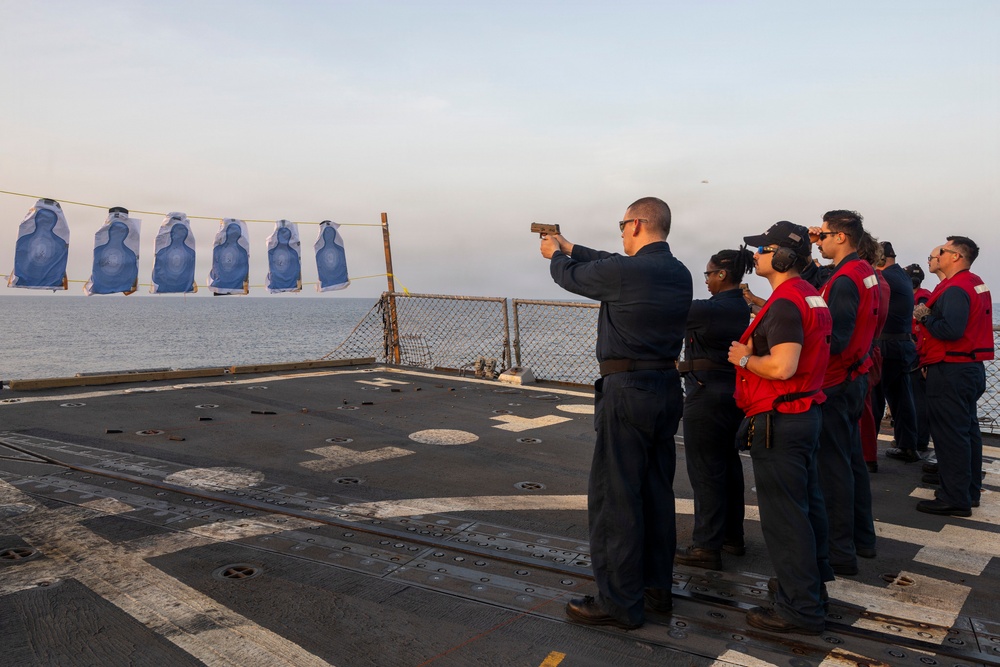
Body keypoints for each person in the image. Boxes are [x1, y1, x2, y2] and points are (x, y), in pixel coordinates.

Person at [540, 196, 692, 630]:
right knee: (656, 494)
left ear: (638, 224)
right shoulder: (678, 272)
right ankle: (656, 590)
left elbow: (572, 277)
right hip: (667, 388)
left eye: (622, 225)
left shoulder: (626, 272)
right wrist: (570, 245)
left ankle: (619, 602)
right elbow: (610, 261)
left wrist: (555, 256)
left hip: (627, 392)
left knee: (615, 497)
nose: (621, 232)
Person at [727, 220, 833, 635]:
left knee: (785, 518)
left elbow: (783, 366)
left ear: (784, 257)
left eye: (763, 249)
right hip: (804, 414)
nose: (756, 256)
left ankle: (799, 609)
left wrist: (742, 358)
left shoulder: (787, 302)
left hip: (780, 420)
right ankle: (809, 590)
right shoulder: (809, 295)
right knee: (806, 508)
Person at [809, 210, 879, 574]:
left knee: (832, 469)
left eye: (822, 235)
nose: (818, 240)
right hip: (855, 376)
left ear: (840, 237)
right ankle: (862, 538)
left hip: (837, 382)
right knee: (852, 462)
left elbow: (835, 338)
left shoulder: (845, 280)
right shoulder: (864, 271)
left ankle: (838, 551)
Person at [675, 247, 753, 570]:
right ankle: (732, 537)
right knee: (728, 467)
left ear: (722, 274)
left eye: (708, 274)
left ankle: (706, 546)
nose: (706, 280)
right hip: (731, 394)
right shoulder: (740, 306)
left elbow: (671, 308)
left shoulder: (712, 309)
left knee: (706, 471)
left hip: (706, 397)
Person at [912, 236, 994, 516]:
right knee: (966, 432)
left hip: (951, 369)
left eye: (943, 251)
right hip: (968, 368)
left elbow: (951, 330)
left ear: (956, 256)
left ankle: (954, 497)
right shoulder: (973, 283)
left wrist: (924, 317)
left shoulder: (956, 289)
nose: (938, 255)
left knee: (950, 436)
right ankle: (967, 491)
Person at [874, 242, 920, 463]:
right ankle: (907, 445)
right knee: (902, 398)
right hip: (902, 344)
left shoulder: (884, 278)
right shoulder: (901, 276)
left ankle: (865, 453)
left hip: (887, 344)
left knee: (874, 399)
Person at [856, 234, 889, 474]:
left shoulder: (863, 280)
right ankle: (867, 455)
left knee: (861, 407)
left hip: (862, 350)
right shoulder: (879, 280)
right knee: (866, 406)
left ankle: (865, 456)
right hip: (872, 348)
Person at [904, 262, 934, 456]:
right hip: (914, 350)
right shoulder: (925, 296)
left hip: (917, 352)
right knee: (915, 398)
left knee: (917, 399)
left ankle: (920, 439)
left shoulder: (919, 297)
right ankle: (916, 437)